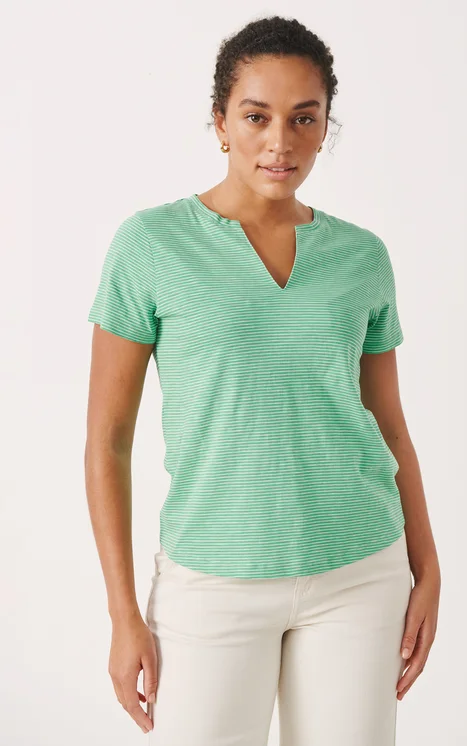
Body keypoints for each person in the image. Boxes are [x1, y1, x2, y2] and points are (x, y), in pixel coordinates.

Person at [85, 15, 441, 745]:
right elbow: (107, 440)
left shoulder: (362, 257)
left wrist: (426, 563)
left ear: (325, 127)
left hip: (359, 572)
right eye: (256, 117)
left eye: (303, 118)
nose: (280, 142)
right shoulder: (151, 246)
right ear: (220, 122)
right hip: (211, 579)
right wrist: (122, 614)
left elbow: (389, 425)